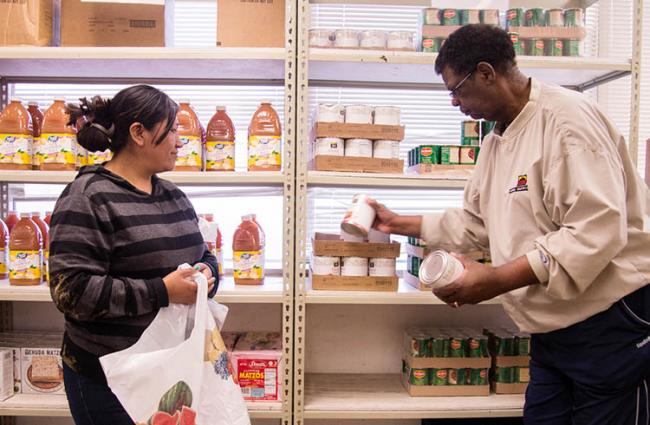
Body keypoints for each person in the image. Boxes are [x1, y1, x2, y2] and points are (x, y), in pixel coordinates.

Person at [370, 24, 649, 425]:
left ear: (487, 73)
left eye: (457, 89)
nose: (453, 102)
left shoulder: (567, 122)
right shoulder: (496, 139)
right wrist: (397, 222)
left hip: (608, 322)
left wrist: (497, 280)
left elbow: (596, 231)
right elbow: (475, 223)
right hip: (550, 330)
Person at [48, 85, 219, 425]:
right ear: (138, 133)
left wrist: (207, 273)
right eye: (171, 130)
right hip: (108, 380)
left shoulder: (174, 196)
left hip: (169, 369)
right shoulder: (88, 196)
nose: (179, 141)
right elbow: (71, 291)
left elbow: (205, 254)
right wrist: (163, 291)